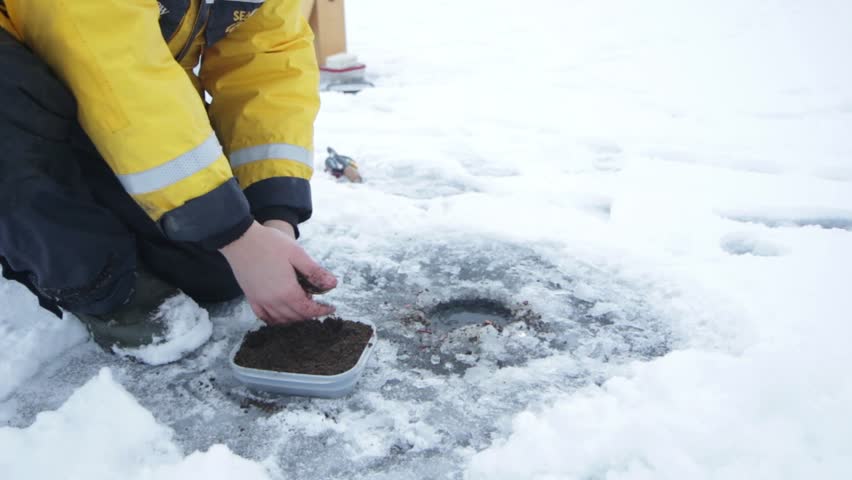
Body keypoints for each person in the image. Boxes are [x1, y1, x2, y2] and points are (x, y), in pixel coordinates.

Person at [0, 0, 337, 355]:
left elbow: (265, 58)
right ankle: (92, 284)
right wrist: (234, 233)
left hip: (99, 89)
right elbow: (112, 62)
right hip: (25, 85)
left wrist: (271, 217)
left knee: (213, 270)